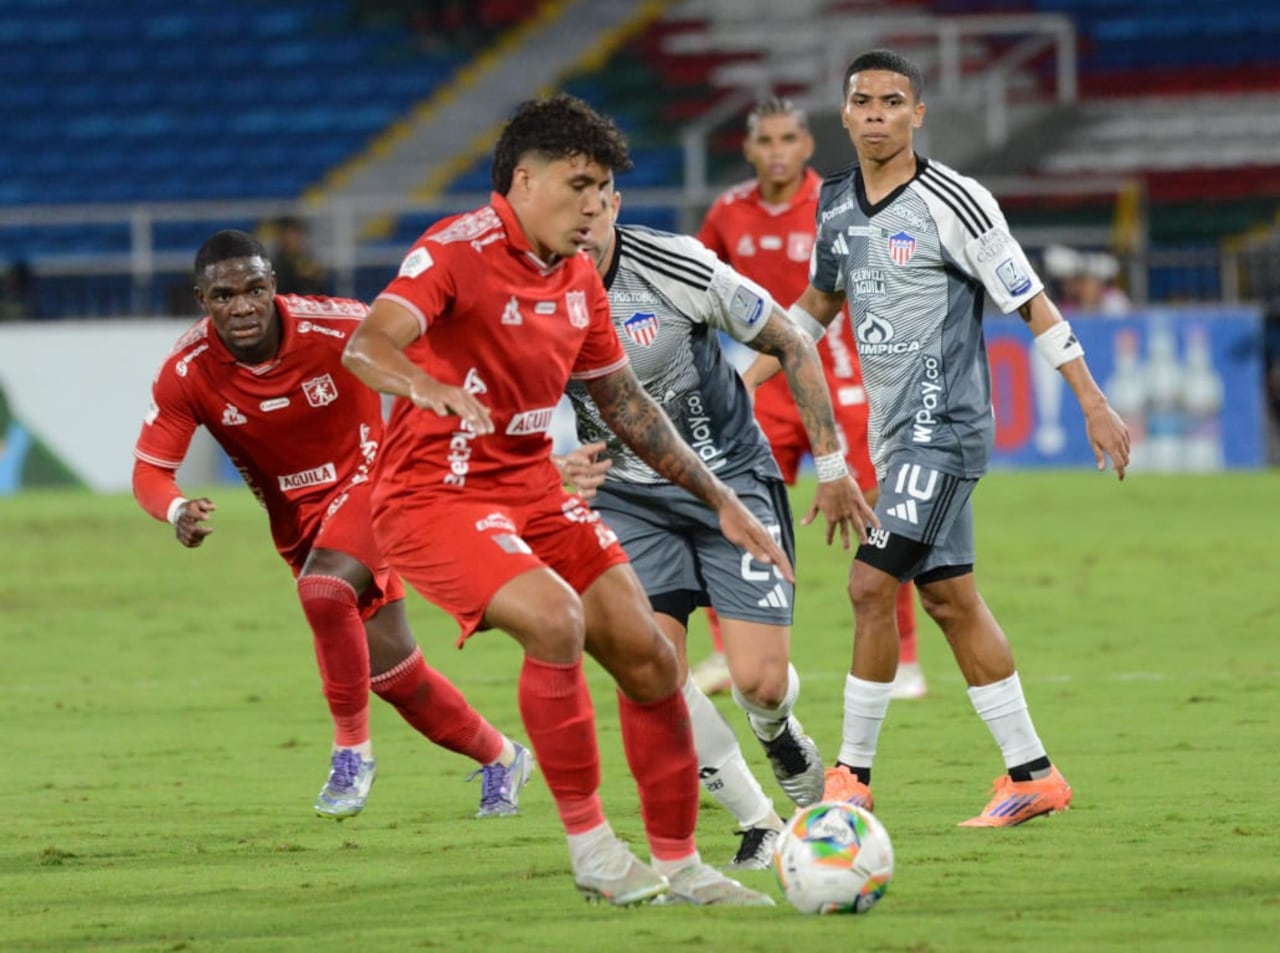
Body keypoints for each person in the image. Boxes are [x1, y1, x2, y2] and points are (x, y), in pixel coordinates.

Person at [341, 93, 780, 906]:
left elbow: (627, 408)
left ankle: (682, 865)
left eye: (603, 187)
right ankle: (591, 848)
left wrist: (720, 498)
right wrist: (425, 383)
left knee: (650, 653)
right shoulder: (454, 250)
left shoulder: (579, 275)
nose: (594, 205)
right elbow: (366, 344)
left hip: (530, 489)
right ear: (522, 179)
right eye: (579, 184)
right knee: (556, 620)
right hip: (434, 495)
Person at [743, 49, 1130, 826]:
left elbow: (1031, 302)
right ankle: (1033, 772)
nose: (878, 113)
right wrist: (743, 374)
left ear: (918, 114)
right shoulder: (838, 203)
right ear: (844, 113)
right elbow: (818, 304)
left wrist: (1092, 398)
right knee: (951, 599)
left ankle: (848, 778)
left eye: (894, 101)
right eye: (864, 100)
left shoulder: (957, 199)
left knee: (867, 583)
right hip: (895, 436)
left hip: (944, 429)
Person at [132, 230, 534, 822]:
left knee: (323, 590)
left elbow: (436, 352)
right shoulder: (187, 371)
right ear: (202, 299)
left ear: (274, 288)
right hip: (302, 526)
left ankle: (352, 753)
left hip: (379, 487)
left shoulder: (342, 326)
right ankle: (502, 757)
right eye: (224, 295)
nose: (241, 306)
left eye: (254, 290)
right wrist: (175, 509)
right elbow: (149, 470)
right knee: (395, 675)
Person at [557, 186, 873, 869]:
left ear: (615, 202)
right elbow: (497, 403)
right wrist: (555, 462)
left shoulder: (677, 265)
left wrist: (833, 463)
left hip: (732, 481)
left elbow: (790, 340)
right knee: (652, 671)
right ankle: (758, 820)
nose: (579, 226)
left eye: (592, 208)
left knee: (759, 679)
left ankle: (777, 728)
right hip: (627, 500)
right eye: (564, 211)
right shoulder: (525, 293)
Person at [698, 97, 928, 702]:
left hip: (842, 386)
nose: (776, 151)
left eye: (787, 139)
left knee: (881, 519)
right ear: (749, 150)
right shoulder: (727, 213)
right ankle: (729, 653)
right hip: (762, 393)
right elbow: (695, 295)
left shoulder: (837, 203)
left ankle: (903, 657)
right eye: (765, 140)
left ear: (806, 146)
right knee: (730, 510)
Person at [269, 216, 329, 297]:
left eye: (299, 234)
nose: (296, 238)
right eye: (291, 234)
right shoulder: (275, 264)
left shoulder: (309, 261)